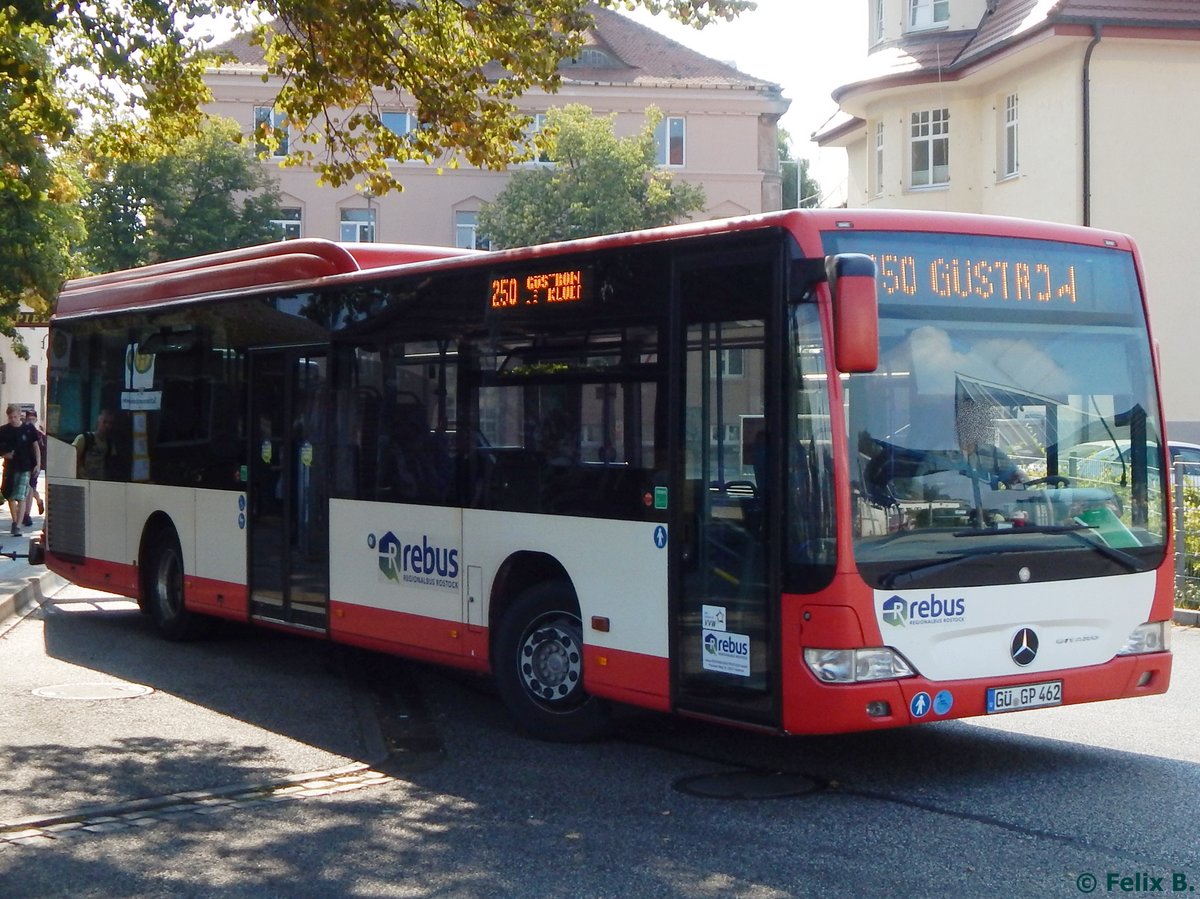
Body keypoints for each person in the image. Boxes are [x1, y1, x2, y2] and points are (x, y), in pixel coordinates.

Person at [0, 404, 41, 536]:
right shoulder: (4, 430)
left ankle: (18, 525)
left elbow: (35, 446)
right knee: (11, 495)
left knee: (21, 496)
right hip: (10, 467)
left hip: (25, 466)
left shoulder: (28, 429)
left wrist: (38, 463)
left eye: (15, 417)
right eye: (11, 417)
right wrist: (5, 455)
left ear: (20, 416)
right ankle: (14, 520)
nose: (13, 419)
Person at [72, 409, 117, 480]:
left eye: (110, 423)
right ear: (98, 421)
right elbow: (71, 459)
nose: (107, 426)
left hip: (100, 482)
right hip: (82, 480)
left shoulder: (110, 445)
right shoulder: (83, 439)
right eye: (104, 422)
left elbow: (111, 466)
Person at [23, 410, 46, 526]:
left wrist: (39, 464)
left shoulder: (40, 435)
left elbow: (42, 450)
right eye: (29, 419)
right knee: (29, 489)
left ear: (36, 420)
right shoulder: (24, 431)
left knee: (30, 488)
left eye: (33, 419)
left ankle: (26, 515)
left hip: (34, 465)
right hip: (24, 464)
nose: (31, 421)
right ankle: (39, 500)